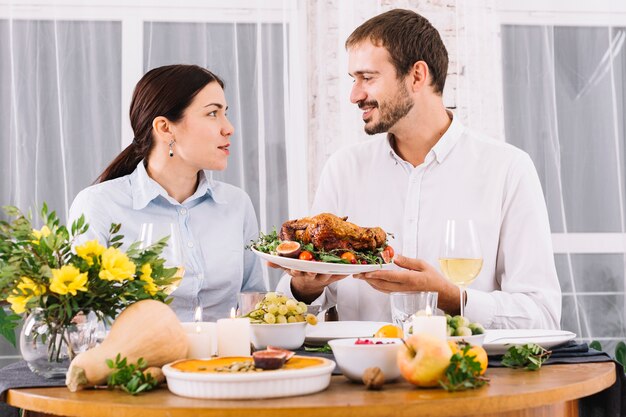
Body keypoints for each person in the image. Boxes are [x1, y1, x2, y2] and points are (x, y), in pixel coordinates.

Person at [276, 9, 561, 329]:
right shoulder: (343, 169)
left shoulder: (508, 170)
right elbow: (289, 311)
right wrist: (305, 287)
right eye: (353, 80)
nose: (354, 95)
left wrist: (452, 298)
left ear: (416, 75)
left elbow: (542, 315)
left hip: (465, 374)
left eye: (367, 78)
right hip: (359, 375)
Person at [69, 64, 266, 322]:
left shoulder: (236, 204)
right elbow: (77, 313)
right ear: (164, 127)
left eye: (225, 113)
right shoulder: (99, 205)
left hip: (226, 361)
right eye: (212, 114)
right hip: (136, 361)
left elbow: (254, 301)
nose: (228, 128)